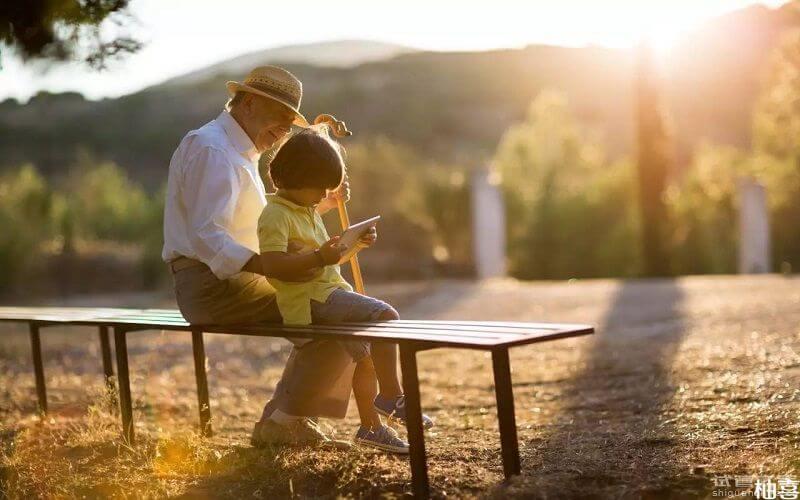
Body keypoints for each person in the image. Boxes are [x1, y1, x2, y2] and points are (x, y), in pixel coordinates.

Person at [162, 65, 365, 447]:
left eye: (291, 124)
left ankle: (285, 419)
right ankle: (283, 422)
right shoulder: (212, 149)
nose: (285, 133)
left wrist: (317, 202)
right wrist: (270, 265)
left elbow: (259, 226)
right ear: (251, 103)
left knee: (333, 305)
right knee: (336, 311)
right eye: (283, 120)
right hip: (212, 287)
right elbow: (208, 235)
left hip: (227, 280)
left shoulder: (237, 150)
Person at [256, 127, 434, 453]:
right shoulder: (275, 215)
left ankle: (370, 427)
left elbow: (324, 261)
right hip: (308, 299)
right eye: (319, 188)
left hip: (326, 291)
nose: (324, 195)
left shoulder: (306, 210)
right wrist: (320, 255)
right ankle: (392, 397)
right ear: (293, 179)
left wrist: (353, 246)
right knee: (384, 314)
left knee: (364, 359)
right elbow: (273, 266)